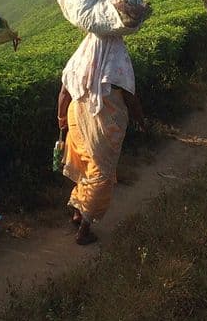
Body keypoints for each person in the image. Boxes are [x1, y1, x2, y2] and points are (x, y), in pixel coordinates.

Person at [57, 33, 145, 245]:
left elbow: (63, 92)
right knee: (101, 173)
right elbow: (130, 95)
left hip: (76, 117)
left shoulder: (80, 58)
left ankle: (78, 212)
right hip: (102, 123)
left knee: (87, 166)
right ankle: (85, 228)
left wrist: (61, 119)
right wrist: (140, 118)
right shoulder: (116, 60)